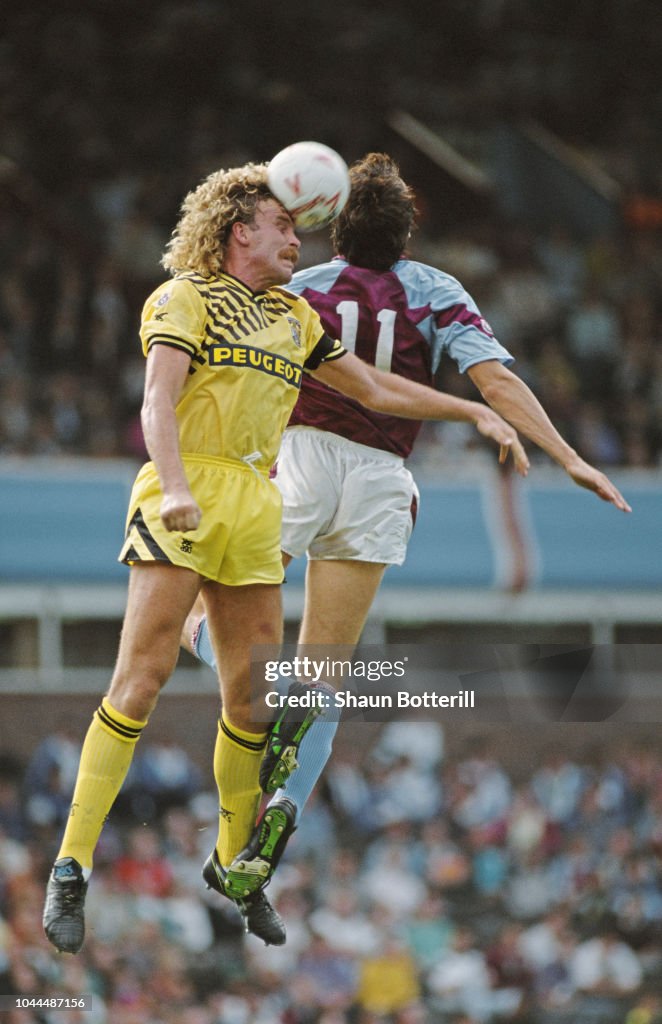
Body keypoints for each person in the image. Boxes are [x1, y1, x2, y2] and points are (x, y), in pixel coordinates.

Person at [42, 159, 527, 954]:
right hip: (188, 487)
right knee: (142, 677)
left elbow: (374, 386)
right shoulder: (183, 297)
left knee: (252, 704)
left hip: (255, 512)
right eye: (282, 228)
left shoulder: (295, 320)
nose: (296, 242)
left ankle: (237, 868)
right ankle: (72, 864)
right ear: (240, 232)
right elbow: (157, 398)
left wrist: (471, 412)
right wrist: (172, 487)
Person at [185, 153, 631, 898]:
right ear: (408, 235)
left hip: (298, 460)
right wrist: (570, 456)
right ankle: (284, 810)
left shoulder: (303, 285)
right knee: (328, 672)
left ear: (332, 228)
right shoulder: (436, 290)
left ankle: (277, 699)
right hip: (383, 479)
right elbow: (496, 380)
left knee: (199, 619)